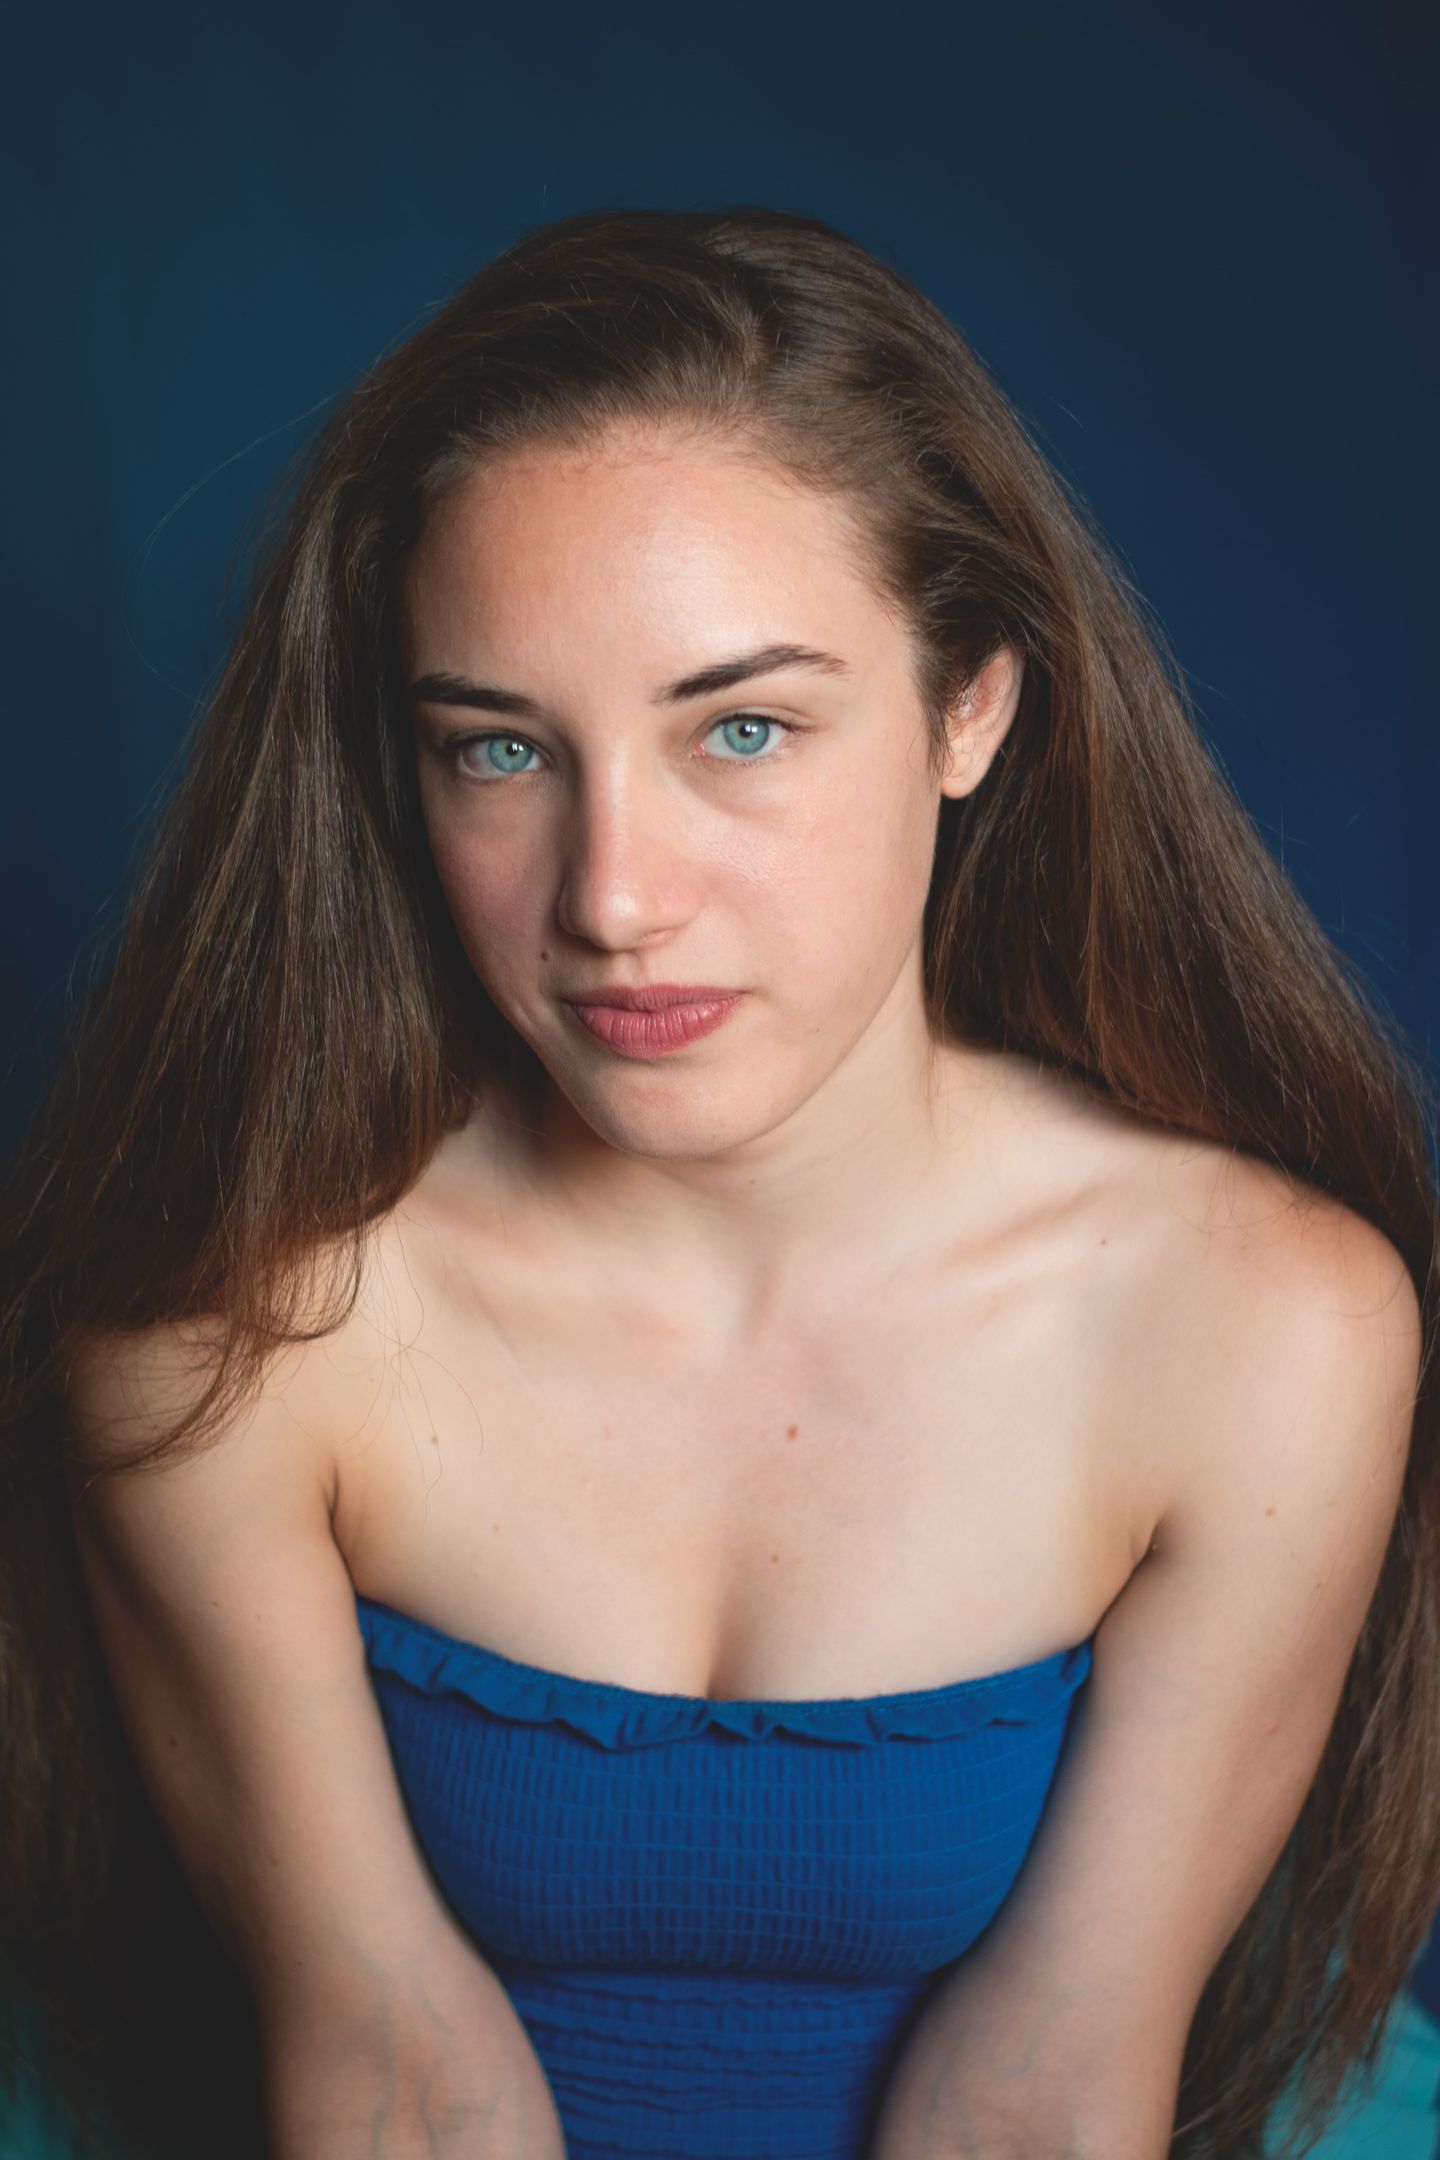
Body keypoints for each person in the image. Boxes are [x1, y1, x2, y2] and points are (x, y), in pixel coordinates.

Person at [1, 204, 1437, 2160]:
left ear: (971, 707)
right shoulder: (229, 1333)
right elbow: (398, 2080)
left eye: (741, 728)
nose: (612, 900)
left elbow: (1042, 2092)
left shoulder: (1262, 1326)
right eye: (499, 754)